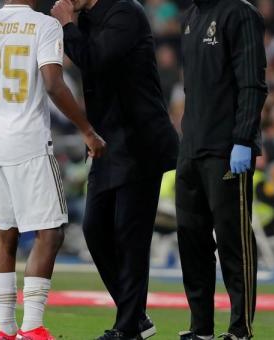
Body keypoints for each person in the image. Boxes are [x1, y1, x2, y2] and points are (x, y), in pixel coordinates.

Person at [0, 1, 106, 339]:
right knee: (51, 232)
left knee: (5, 235)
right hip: (27, 142)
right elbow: (54, 84)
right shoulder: (43, 25)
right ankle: (32, 327)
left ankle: (5, 329)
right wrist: (87, 129)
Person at [51, 0, 180, 339]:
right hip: (108, 143)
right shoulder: (88, 19)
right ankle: (135, 316)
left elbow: (96, 60)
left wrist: (66, 25)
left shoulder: (126, 13)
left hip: (141, 142)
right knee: (94, 229)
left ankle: (127, 328)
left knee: (130, 234)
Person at [176, 0, 268, 339]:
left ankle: (240, 329)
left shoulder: (240, 13)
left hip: (227, 149)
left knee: (234, 241)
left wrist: (243, 138)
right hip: (192, 147)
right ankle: (200, 328)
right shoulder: (191, 17)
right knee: (191, 239)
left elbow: (252, 82)